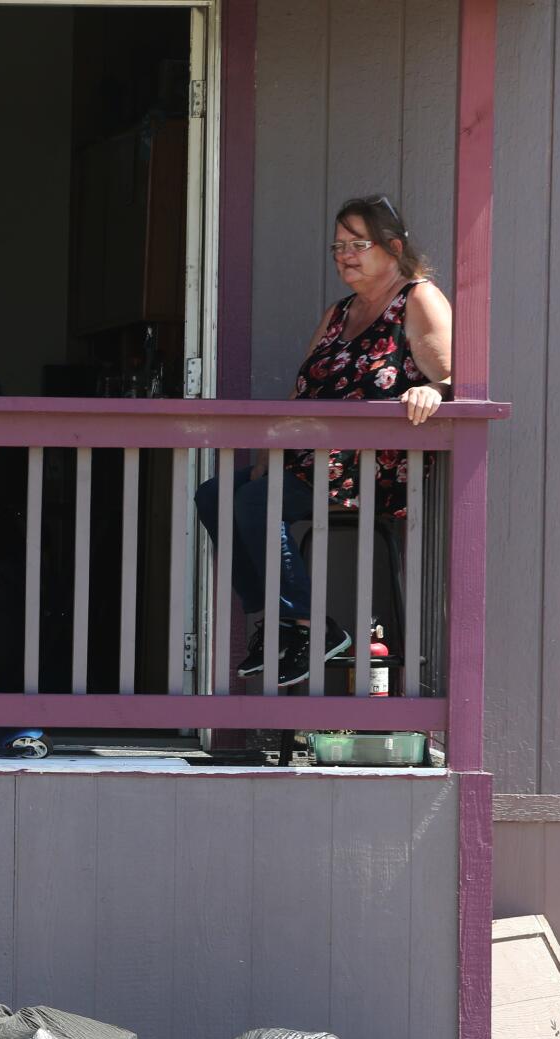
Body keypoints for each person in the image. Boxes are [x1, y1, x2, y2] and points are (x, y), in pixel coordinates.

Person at [195, 194, 454, 688]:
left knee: (254, 503)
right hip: (310, 461)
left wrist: (431, 389)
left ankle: (310, 627)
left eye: (359, 244)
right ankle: (282, 624)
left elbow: (449, 378)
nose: (345, 255)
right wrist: (272, 454)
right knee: (215, 495)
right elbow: (303, 389)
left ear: (393, 246)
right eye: (338, 246)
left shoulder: (416, 297)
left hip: (371, 467)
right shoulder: (339, 312)